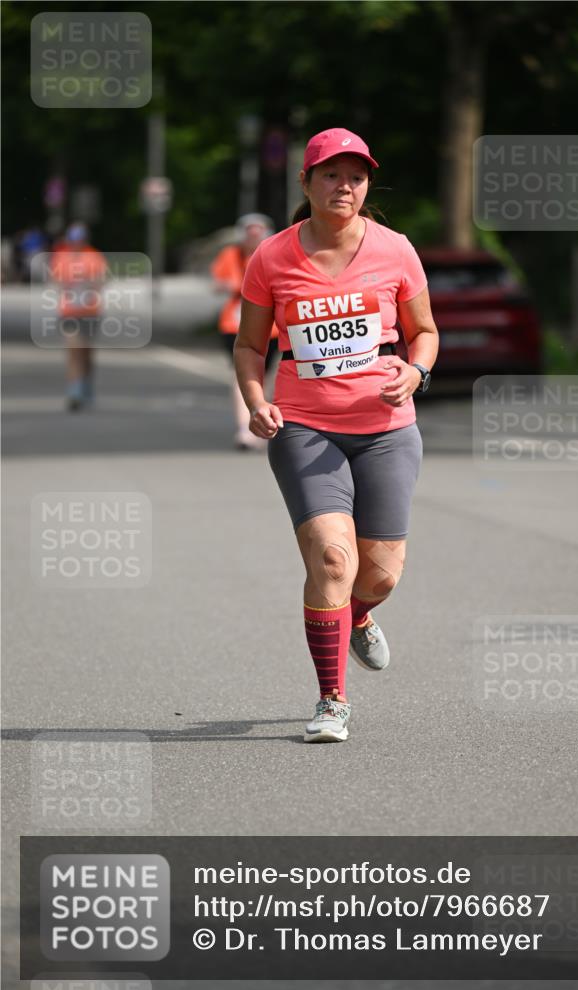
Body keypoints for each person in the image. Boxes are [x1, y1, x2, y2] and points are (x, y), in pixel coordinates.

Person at [234, 127, 439, 743]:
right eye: (330, 174)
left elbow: (424, 331)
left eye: (355, 175)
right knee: (331, 558)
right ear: (306, 182)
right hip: (304, 426)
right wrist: (255, 400)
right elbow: (249, 344)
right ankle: (331, 700)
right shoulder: (271, 257)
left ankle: (358, 617)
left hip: (385, 428)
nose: (343, 185)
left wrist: (416, 368)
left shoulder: (396, 250)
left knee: (378, 576)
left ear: (367, 184)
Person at [210, 214, 278, 449]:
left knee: (265, 375)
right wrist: (238, 286)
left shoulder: (274, 254)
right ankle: (244, 426)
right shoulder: (231, 255)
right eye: (249, 232)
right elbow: (217, 283)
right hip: (234, 324)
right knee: (241, 374)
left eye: (258, 232)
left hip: (272, 329)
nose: (253, 236)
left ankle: (261, 419)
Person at [49, 223, 107, 410]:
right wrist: (66, 285)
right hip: (69, 312)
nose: (76, 244)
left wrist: (89, 284)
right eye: (73, 240)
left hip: (90, 311)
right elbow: (55, 279)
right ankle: (74, 392)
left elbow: (101, 279)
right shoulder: (61, 257)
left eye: (79, 240)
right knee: (73, 350)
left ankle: (86, 384)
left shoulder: (94, 256)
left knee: (86, 353)